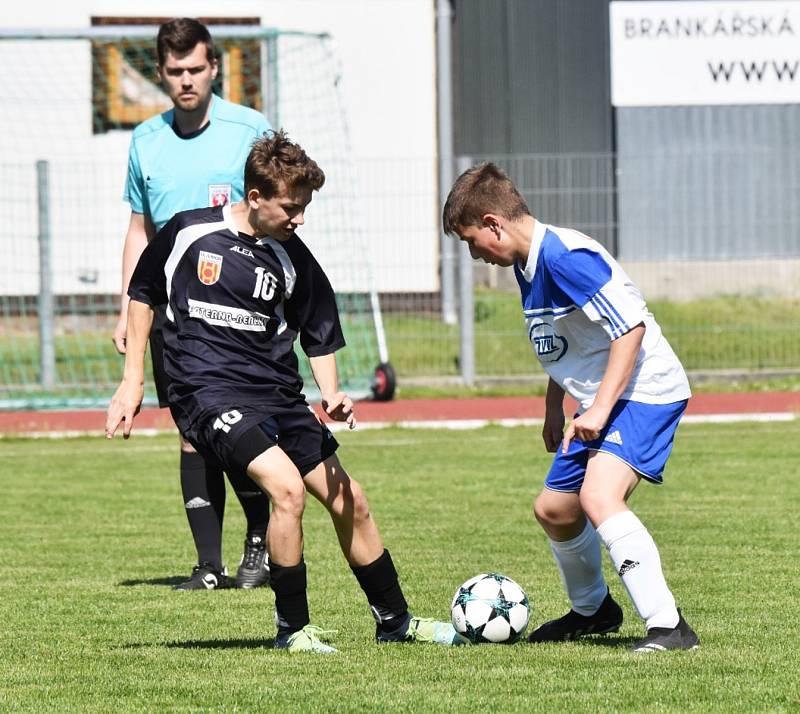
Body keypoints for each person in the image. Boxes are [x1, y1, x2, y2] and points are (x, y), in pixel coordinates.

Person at [105, 130, 467, 653]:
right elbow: (143, 293)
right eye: (291, 207)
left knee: (352, 501)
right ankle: (293, 630)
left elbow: (318, 328)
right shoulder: (188, 234)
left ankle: (396, 622)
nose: (299, 219)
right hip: (206, 392)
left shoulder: (293, 257)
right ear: (255, 198)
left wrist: (333, 393)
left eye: (304, 208)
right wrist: (132, 379)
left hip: (277, 394)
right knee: (287, 489)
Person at [442, 162, 699, 653]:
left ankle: (669, 627)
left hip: (645, 390)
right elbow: (563, 342)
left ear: (494, 222)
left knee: (599, 497)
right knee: (555, 509)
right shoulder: (527, 264)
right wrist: (554, 407)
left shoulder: (567, 257)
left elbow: (630, 330)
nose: (475, 253)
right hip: (601, 396)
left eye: (472, 240)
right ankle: (594, 611)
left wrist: (598, 409)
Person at [112, 18, 272, 590]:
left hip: (236, 311)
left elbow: (277, 215)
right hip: (170, 315)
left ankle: (260, 545)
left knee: (237, 424)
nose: (185, 81)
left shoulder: (249, 129)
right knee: (190, 429)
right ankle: (209, 566)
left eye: (195, 69)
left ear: (213, 69)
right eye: (174, 71)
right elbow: (139, 230)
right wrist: (127, 304)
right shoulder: (145, 140)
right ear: (160, 73)